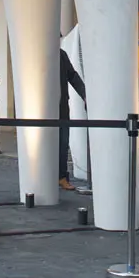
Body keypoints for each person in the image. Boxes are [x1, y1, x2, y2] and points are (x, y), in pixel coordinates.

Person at [59, 45, 86, 190]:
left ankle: (61, 177)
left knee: (63, 144)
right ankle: (48, 176)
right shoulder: (37, 55)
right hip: (42, 109)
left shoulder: (62, 55)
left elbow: (72, 75)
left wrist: (85, 94)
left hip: (62, 108)